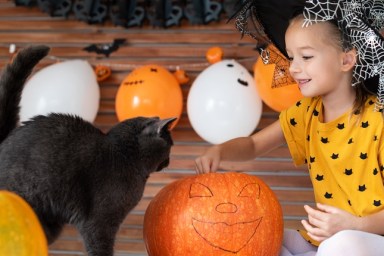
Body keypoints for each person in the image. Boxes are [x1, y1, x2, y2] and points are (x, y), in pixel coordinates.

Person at [195, 0, 384, 255]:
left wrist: (356, 224)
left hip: (371, 236)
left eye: (306, 57)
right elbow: (253, 145)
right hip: (327, 241)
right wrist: (220, 151)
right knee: (264, 236)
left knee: (342, 244)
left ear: (346, 59)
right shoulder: (306, 113)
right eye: (292, 56)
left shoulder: (378, 120)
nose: (294, 68)